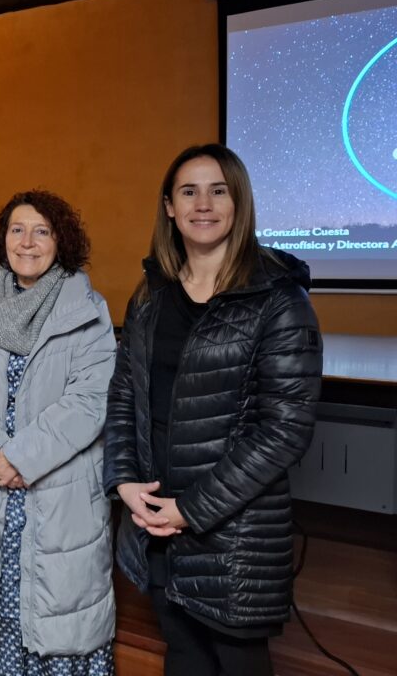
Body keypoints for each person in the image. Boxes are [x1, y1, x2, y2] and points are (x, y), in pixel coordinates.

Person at [103, 143, 322, 676]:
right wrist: (124, 481)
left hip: (235, 537)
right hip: (155, 524)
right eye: (189, 191)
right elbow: (124, 394)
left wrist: (191, 509)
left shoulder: (279, 300)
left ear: (238, 203)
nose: (203, 204)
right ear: (169, 207)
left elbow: (285, 429)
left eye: (218, 191)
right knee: (183, 656)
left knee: (238, 662)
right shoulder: (150, 296)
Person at [0, 190, 117, 675]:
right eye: (17, 230)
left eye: (42, 231)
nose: (27, 242)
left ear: (61, 241)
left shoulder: (87, 307)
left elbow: (90, 399)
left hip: (58, 488)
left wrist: (21, 458)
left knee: (60, 616)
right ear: (3, 239)